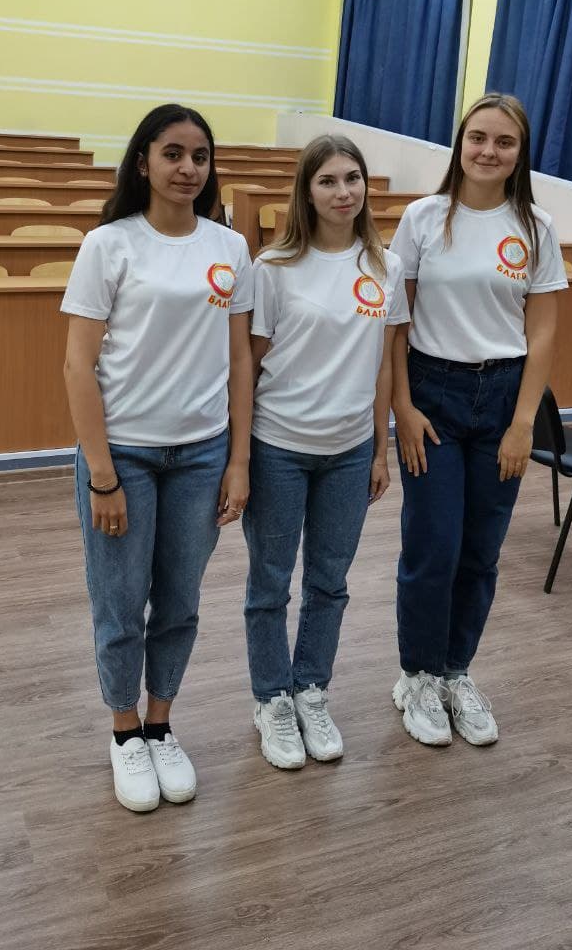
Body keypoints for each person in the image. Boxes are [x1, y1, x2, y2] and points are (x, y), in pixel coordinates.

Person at [62, 103, 253, 813]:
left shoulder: (230, 247)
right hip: (126, 456)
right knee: (120, 604)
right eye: (172, 153)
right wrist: (102, 475)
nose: (187, 168)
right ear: (142, 161)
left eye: (200, 156)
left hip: (202, 455)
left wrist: (239, 461)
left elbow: (241, 360)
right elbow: (77, 366)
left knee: (179, 602)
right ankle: (124, 733)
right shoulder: (108, 244)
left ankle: (160, 724)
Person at [389, 93, 568, 748]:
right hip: (431, 394)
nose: (489, 151)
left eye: (504, 142)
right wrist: (402, 407)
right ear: (460, 144)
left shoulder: (536, 227)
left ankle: (455, 671)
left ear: (520, 153)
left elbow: (541, 333)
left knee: (481, 551)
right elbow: (395, 323)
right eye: (478, 138)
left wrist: (523, 424)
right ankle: (418, 675)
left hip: (503, 398)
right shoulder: (422, 218)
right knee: (433, 545)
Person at [244, 135, 409, 769]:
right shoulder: (273, 267)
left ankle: (310, 689)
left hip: (350, 450)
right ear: (306, 192)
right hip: (278, 447)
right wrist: (238, 458)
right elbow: (249, 367)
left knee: (329, 582)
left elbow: (384, 365)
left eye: (353, 178)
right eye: (329, 181)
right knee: (270, 582)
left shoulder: (386, 266)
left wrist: (380, 451)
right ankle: (271, 698)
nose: (344, 192)